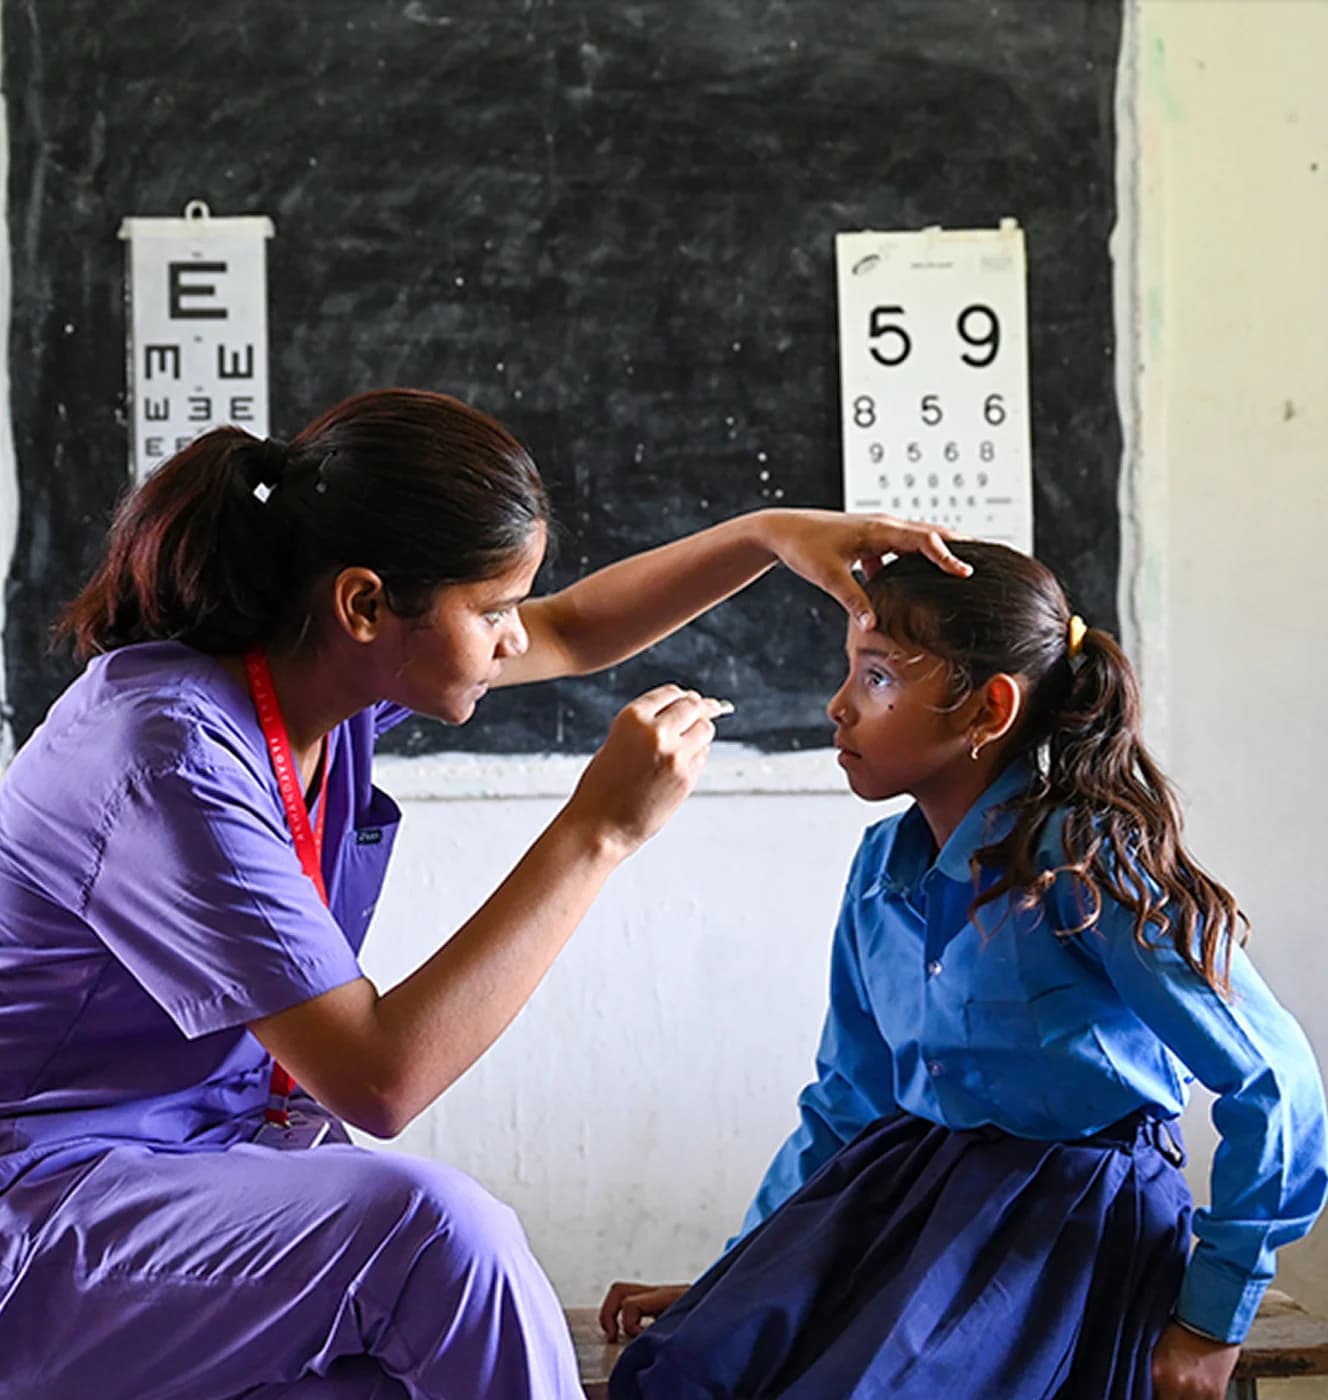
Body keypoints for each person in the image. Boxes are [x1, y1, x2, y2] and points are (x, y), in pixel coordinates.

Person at [0, 387, 966, 1400]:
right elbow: (379, 1078)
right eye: (491, 609)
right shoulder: (168, 754)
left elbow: (576, 627)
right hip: (47, 1208)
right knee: (435, 1238)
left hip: (188, 1177)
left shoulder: (318, 690)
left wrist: (765, 535)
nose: (515, 637)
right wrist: (598, 831)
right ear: (365, 604)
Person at [601, 540, 1328, 1400]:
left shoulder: (1086, 863)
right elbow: (846, 1105)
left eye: (876, 678)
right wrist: (749, 1280)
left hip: (1063, 1222)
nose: (838, 707)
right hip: (907, 1198)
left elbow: (1277, 1084)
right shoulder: (880, 870)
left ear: (987, 708)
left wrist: (1210, 1322)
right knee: (684, 1367)